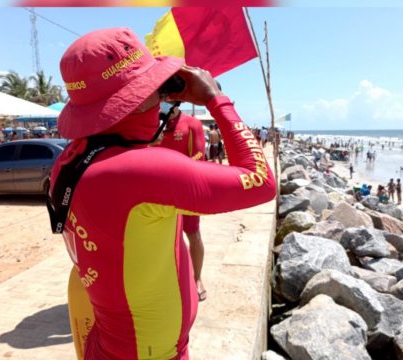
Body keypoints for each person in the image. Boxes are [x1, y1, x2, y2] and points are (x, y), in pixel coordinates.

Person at [48, 28, 276, 360]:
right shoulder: (145, 171)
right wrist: (215, 98)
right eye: (154, 87)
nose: (161, 95)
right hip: (151, 353)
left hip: (113, 342)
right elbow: (261, 180)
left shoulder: (70, 162)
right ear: (137, 99)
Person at [152, 105, 209, 301]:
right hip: (158, 192)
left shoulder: (192, 124)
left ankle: (197, 278)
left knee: (193, 234)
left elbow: (200, 155)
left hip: (185, 190)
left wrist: (175, 171)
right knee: (161, 238)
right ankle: (168, 279)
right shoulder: (153, 123)